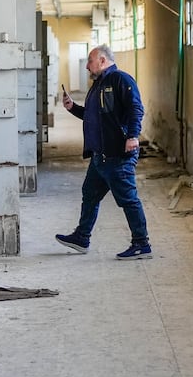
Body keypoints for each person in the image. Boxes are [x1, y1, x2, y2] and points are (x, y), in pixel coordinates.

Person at [55, 45, 153, 260]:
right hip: (100, 155)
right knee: (89, 195)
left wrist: (133, 137)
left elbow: (136, 108)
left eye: (90, 62)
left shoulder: (121, 80)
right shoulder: (98, 85)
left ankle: (141, 244)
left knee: (128, 199)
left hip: (117, 154)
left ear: (101, 60)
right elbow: (94, 118)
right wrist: (73, 108)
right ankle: (82, 237)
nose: (87, 67)